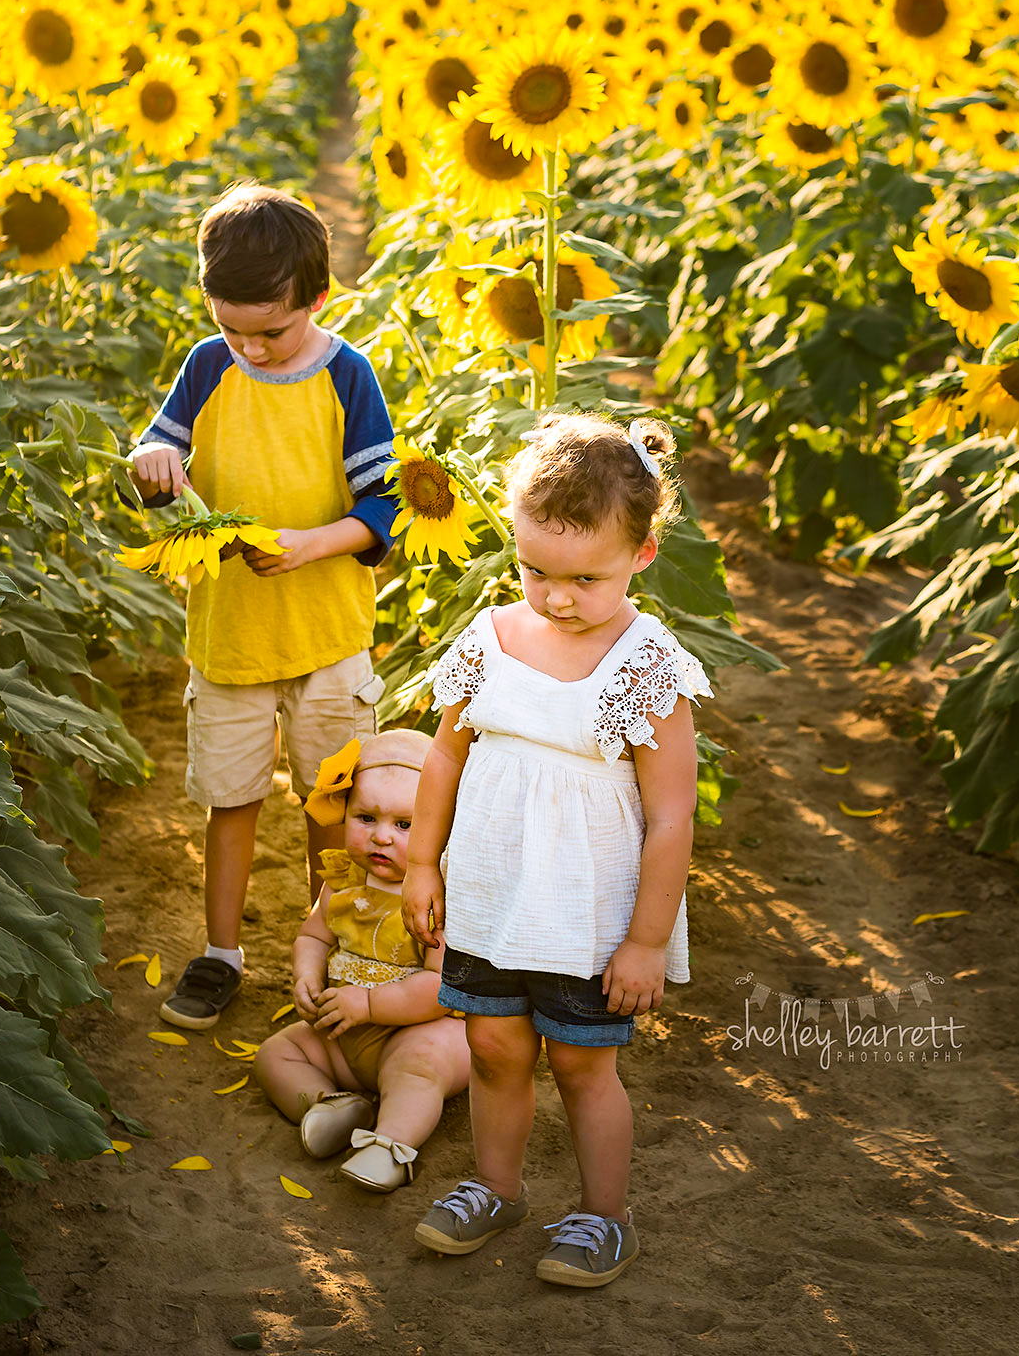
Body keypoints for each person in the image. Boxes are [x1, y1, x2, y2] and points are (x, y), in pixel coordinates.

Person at [403, 412, 709, 1289]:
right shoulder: (493, 640)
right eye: (534, 570)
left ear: (642, 556)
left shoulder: (646, 662)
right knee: (494, 1050)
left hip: (585, 914)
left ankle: (603, 1216)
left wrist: (646, 939)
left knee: (582, 1064)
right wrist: (424, 862)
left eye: (585, 577)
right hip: (494, 896)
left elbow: (672, 816)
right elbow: (446, 752)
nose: (556, 597)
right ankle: (495, 1187)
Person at [129, 182, 400, 1031]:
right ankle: (221, 955)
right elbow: (161, 446)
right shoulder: (210, 364)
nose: (250, 347)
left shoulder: (347, 376)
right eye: (230, 326)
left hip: (325, 637)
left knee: (333, 807)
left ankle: (340, 944)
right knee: (231, 800)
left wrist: (306, 544)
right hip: (230, 637)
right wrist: (151, 463)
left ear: (319, 299)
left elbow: (382, 512)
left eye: (270, 331)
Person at [254, 730, 471, 1192]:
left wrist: (371, 1006)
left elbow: (439, 986)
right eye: (366, 817)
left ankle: (390, 1144)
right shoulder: (342, 877)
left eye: (405, 825)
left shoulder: (439, 896)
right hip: (346, 1030)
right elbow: (314, 933)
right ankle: (331, 1104)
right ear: (346, 812)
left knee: (420, 1066)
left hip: (417, 1030)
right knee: (278, 1053)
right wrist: (307, 974)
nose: (381, 837)